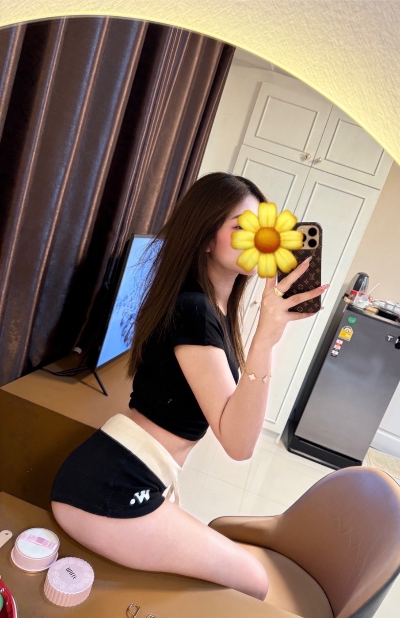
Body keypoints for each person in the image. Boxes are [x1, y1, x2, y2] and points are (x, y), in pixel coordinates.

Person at [51, 172, 327, 601]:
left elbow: (233, 418)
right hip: (109, 488)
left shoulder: (211, 307)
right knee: (254, 581)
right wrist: (266, 340)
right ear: (206, 237)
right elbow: (238, 443)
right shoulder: (194, 310)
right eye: (241, 226)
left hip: (128, 473)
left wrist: (266, 334)